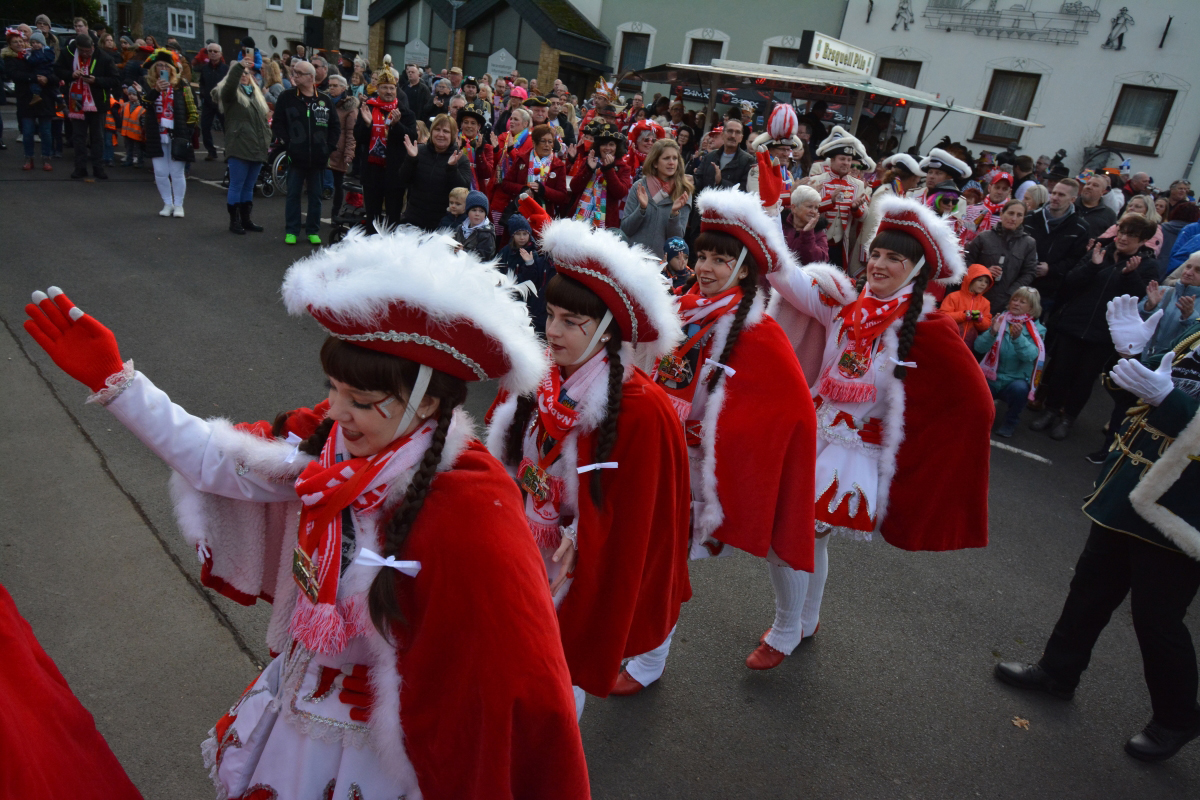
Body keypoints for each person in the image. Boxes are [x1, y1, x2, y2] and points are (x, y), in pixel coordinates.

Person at [22, 232, 591, 797]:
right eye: (334, 389)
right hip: (305, 695)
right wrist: (118, 382)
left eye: (361, 402)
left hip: (393, 742)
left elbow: (520, 671)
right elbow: (215, 460)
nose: (337, 411)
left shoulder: (473, 504)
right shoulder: (327, 441)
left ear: (429, 403)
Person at [767, 193, 993, 656]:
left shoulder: (928, 329)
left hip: (854, 454)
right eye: (877, 253)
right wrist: (762, 215)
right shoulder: (845, 305)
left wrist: (915, 443)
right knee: (810, 537)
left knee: (787, 535)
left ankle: (787, 627)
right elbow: (786, 279)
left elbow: (976, 406)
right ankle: (805, 620)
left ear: (915, 270)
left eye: (895, 258)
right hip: (814, 434)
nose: (880, 264)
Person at [489, 202, 691, 709]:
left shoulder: (641, 409)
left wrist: (584, 535)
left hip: (575, 559)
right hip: (524, 536)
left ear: (605, 331)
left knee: (564, 660)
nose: (551, 330)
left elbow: (639, 516)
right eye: (551, 315)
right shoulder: (541, 372)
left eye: (570, 321)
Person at [995, 294, 1200, 763]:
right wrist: (1132, 356)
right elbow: (1142, 391)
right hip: (1134, 487)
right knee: (1090, 587)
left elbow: (1169, 401)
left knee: (1157, 618)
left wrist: (1168, 401)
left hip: (1184, 508)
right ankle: (1057, 671)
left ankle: (1177, 718)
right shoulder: (1197, 332)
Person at [1030, 213, 1159, 440]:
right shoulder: (1100, 252)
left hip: (1105, 332)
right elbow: (1070, 281)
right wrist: (1092, 265)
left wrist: (1129, 275)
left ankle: (1068, 417)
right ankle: (1050, 411)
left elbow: (1140, 298)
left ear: (1142, 241)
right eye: (1122, 232)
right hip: (1075, 323)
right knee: (1060, 371)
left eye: (1132, 235)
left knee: (1085, 378)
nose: (1124, 238)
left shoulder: (1146, 266)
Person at [273, 59, 340, 245]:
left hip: (318, 157)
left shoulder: (324, 100)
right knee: (293, 194)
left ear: (310, 77)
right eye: (293, 72)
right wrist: (288, 143)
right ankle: (292, 230)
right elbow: (278, 123)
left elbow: (335, 126)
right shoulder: (287, 97)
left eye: (299, 73)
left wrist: (329, 147)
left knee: (316, 196)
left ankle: (313, 230)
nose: (294, 76)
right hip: (296, 155)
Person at [974, 287, 1047, 437]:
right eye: (1015, 299)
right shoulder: (1000, 320)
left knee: (1019, 389)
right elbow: (979, 347)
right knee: (977, 386)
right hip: (992, 376)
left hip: (1015, 380)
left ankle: (1010, 422)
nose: (1017, 304)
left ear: (1032, 308)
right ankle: (978, 419)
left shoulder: (1038, 329)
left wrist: (1018, 338)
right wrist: (992, 332)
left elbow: (1030, 356)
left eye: (1022, 301)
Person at [354, 59, 414, 233]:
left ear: (396, 90)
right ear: (378, 89)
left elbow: (412, 137)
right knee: (372, 215)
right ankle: (371, 244)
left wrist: (397, 125)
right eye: (385, 87)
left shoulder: (404, 112)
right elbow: (359, 137)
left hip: (395, 172)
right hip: (372, 171)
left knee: (393, 216)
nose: (389, 91)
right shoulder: (368, 109)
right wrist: (367, 125)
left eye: (392, 88)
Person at [214, 50, 270, 235]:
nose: (245, 76)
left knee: (249, 186)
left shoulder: (256, 95)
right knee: (236, 184)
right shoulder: (229, 95)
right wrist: (239, 67)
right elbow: (230, 86)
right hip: (239, 145)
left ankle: (246, 219)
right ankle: (234, 221)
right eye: (241, 73)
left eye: (247, 73)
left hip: (256, 146)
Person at [140, 50, 196, 216]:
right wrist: (156, 90)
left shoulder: (181, 85)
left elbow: (192, 110)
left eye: (166, 65)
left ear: (172, 68)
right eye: (159, 65)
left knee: (177, 172)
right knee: (160, 172)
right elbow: (145, 104)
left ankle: (179, 205)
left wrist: (188, 130)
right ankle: (167, 203)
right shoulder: (148, 84)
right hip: (156, 133)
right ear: (154, 69)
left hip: (177, 132)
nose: (162, 68)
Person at [56, 34, 119, 181]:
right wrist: (71, 74)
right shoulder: (67, 54)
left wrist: (96, 80)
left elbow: (115, 80)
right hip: (76, 99)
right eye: (82, 51)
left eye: (88, 51)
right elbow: (57, 70)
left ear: (93, 47)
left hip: (97, 102)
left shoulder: (104, 57)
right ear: (77, 48)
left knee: (97, 137)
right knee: (78, 136)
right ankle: (80, 168)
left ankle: (98, 167)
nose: (85, 54)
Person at [809, 126, 872, 271]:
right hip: (817, 241)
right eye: (842, 159)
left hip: (841, 245)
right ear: (831, 161)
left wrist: (856, 208)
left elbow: (864, 217)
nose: (846, 163)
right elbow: (807, 209)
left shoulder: (857, 185)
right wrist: (829, 201)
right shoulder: (818, 180)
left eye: (849, 160)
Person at [1027, 178, 1091, 318]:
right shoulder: (1031, 217)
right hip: (1022, 282)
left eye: (1061, 195)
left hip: (1050, 290)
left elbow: (1076, 260)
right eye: (1054, 193)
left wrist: (1051, 269)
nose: (1055, 198)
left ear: (1073, 199)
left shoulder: (1080, 227)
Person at [396, 114, 472, 232]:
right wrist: (411, 159)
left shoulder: (460, 159)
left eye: (446, 131)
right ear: (431, 132)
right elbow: (402, 180)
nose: (441, 134)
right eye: (437, 129)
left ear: (452, 135)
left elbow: (462, 190)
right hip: (413, 220)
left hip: (442, 225)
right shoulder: (418, 152)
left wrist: (452, 168)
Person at [621, 138, 692, 258]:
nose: (671, 162)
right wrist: (642, 209)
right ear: (655, 162)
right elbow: (626, 229)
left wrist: (674, 213)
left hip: (661, 264)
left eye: (675, 158)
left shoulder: (684, 191)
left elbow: (677, 239)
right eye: (666, 158)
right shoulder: (639, 186)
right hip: (633, 260)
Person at [965, 199, 1039, 313]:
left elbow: (1029, 272)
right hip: (976, 298)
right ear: (1001, 214)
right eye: (1010, 213)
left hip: (1006, 303)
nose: (1013, 218)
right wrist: (983, 272)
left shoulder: (1028, 243)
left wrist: (1011, 293)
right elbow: (966, 262)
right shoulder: (984, 237)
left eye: (1019, 215)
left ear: (1023, 218)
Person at [566, 120, 632, 230]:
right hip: (580, 215)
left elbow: (620, 193)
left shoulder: (624, 168)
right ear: (598, 146)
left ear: (617, 147)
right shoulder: (589, 160)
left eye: (611, 144)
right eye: (604, 144)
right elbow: (574, 187)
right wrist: (589, 169)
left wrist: (608, 169)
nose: (608, 148)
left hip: (606, 221)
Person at [495, 213, 555, 332]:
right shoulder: (506, 251)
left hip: (524, 298)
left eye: (525, 234)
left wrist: (529, 263)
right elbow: (497, 268)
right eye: (518, 234)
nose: (522, 237)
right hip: (505, 293)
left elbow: (532, 278)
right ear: (512, 235)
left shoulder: (533, 253)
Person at [4, 30, 55, 171]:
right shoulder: (11, 59)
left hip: (44, 98)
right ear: (10, 45)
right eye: (15, 42)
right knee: (27, 131)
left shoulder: (38, 53)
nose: (19, 44)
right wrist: (34, 78)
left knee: (45, 131)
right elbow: (14, 74)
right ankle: (28, 157)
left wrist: (47, 79)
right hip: (25, 99)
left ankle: (46, 158)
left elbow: (53, 73)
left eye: (20, 41)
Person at [500, 123, 568, 218]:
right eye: (543, 141)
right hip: (521, 211)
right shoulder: (522, 159)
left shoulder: (558, 165)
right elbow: (506, 184)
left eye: (550, 142)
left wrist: (543, 191)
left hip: (545, 214)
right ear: (534, 143)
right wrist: (523, 189)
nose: (547, 145)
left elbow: (562, 196)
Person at [746, 105, 803, 216]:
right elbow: (760, 200)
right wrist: (791, 194)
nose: (786, 154)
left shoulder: (788, 174)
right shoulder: (757, 171)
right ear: (770, 150)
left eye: (788, 150)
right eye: (782, 149)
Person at [325, 74, 358, 223]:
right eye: (330, 85)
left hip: (338, 150)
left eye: (335, 85)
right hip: (322, 148)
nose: (331, 88)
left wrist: (349, 153)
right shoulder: (323, 102)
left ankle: (335, 214)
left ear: (343, 88)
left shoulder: (349, 108)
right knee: (317, 185)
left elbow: (351, 132)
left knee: (338, 185)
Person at [941, 264, 994, 342]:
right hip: (949, 339)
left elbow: (987, 325)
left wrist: (979, 319)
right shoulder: (953, 297)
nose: (983, 284)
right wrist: (964, 315)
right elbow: (943, 316)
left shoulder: (985, 303)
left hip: (969, 343)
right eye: (980, 280)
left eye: (986, 282)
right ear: (970, 279)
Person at [783, 185, 828, 265]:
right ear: (794, 208)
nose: (813, 211)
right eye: (809, 206)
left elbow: (818, 262)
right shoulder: (780, 225)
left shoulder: (818, 232)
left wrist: (808, 234)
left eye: (816, 208)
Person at [197, 42, 227, 161]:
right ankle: (211, 151)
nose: (213, 54)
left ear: (220, 54)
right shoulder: (204, 68)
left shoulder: (226, 69)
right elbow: (202, 83)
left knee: (227, 128)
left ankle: (228, 152)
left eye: (215, 51)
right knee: (205, 127)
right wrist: (203, 93)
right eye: (210, 51)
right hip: (208, 103)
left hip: (222, 103)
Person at [456, 102, 494, 194]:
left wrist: (479, 152)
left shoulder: (486, 147)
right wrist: (457, 148)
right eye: (466, 122)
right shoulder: (454, 143)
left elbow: (487, 173)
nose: (469, 126)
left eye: (473, 123)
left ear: (479, 127)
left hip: (478, 192)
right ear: (461, 124)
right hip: (456, 191)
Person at [453, 190, 496, 259]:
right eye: (474, 210)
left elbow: (485, 256)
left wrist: (464, 251)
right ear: (468, 212)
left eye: (481, 211)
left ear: (485, 214)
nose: (477, 214)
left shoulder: (487, 234)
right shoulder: (460, 228)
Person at [1076, 174, 1119, 238]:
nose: (1089, 187)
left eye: (1095, 185)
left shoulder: (1109, 215)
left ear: (1103, 192)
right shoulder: (1069, 204)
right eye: (1088, 184)